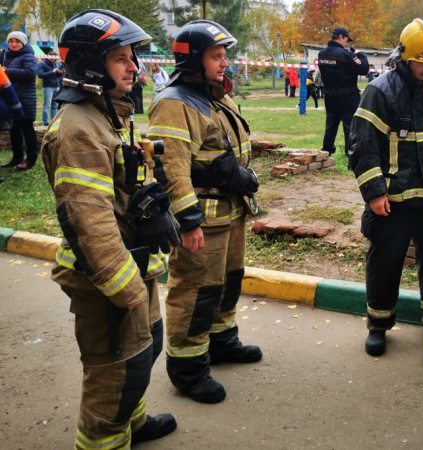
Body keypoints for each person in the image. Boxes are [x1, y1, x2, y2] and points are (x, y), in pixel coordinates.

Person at [42, 9, 181, 448]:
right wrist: (128, 290)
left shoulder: (107, 114)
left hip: (134, 265)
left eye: (132, 57)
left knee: (142, 353)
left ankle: (132, 424)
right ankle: (105, 439)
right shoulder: (79, 129)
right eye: (120, 58)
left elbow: (120, 190)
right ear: (88, 63)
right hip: (106, 277)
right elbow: (90, 221)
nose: (133, 67)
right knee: (113, 373)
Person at [147, 19, 261, 404]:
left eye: (224, 55)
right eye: (216, 56)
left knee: (228, 283)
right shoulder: (173, 104)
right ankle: (188, 370)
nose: (224, 62)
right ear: (194, 60)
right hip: (203, 221)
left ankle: (222, 341)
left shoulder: (216, 96)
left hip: (230, 213)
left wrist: (237, 176)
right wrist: (189, 220)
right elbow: (171, 170)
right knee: (195, 293)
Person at [349, 18, 423, 357]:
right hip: (393, 203)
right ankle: (378, 326)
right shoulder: (380, 91)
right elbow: (361, 145)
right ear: (406, 58)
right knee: (385, 264)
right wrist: (374, 193)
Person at [317, 27, 369, 156]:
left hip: (330, 95)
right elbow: (364, 68)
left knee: (331, 124)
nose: (347, 43)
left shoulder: (321, 54)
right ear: (340, 37)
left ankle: (326, 149)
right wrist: (361, 54)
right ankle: (350, 152)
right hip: (348, 96)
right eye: (346, 40)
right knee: (350, 126)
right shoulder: (346, 55)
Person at [1, 31, 38, 171]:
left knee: (27, 129)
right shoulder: (5, 56)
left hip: (25, 99)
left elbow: (30, 73)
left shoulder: (28, 56)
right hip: (10, 98)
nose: (14, 44)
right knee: (14, 129)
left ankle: (31, 159)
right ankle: (17, 157)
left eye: (17, 41)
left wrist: (6, 71)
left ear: (23, 43)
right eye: (11, 41)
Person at [37, 49, 63, 126]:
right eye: (54, 60)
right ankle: (45, 122)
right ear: (51, 58)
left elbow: (56, 75)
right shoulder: (42, 64)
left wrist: (58, 73)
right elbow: (40, 75)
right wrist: (52, 72)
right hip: (48, 87)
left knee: (55, 106)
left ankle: (53, 121)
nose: (55, 61)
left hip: (56, 86)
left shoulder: (54, 64)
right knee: (47, 106)